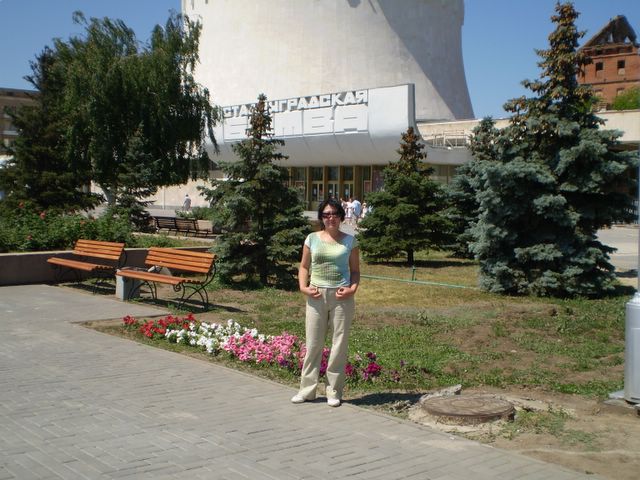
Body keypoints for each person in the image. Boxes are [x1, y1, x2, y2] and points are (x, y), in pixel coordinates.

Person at [292, 198, 360, 407]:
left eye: (335, 214)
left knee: (339, 344)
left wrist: (351, 289)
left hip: (341, 297)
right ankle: (307, 390)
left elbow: (355, 271)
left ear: (341, 216)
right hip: (316, 295)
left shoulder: (350, 241)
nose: (331, 218)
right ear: (321, 217)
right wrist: (303, 287)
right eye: (326, 214)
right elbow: (304, 267)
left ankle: (334, 391)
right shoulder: (312, 238)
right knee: (313, 343)